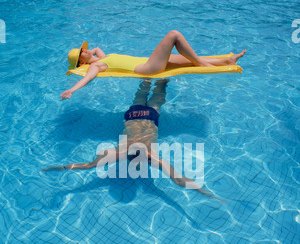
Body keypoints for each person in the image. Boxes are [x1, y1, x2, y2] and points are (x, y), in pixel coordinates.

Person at [46, 79, 215, 198]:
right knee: (142, 93)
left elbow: (86, 166)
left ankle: (161, 80)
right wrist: (203, 192)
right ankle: (150, 79)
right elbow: (178, 180)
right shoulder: (138, 156)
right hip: (133, 116)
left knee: (157, 95)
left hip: (149, 117)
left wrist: (60, 168)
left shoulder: (129, 155)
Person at [60, 30, 246, 100]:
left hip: (148, 63)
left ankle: (228, 61)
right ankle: (203, 64)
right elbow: (88, 77)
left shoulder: (101, 57)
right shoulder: (97, 66)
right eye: (82, 51)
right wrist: (72, 90)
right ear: (82, 61)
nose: (85, 49)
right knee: (174, 35)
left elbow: (97, 49)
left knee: (187, 59)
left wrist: (89, 53)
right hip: (148, 68)